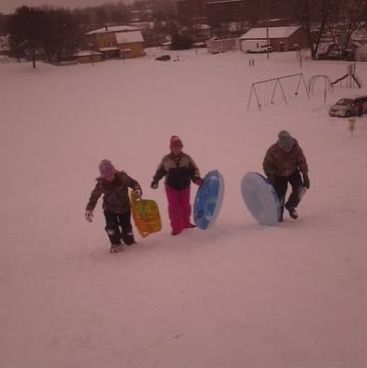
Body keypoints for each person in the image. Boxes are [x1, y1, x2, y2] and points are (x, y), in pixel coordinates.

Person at [85, 159, 142, 252]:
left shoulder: (123, 178)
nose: (109, 177)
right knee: (111, 227)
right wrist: (89, 208)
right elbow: (94, 196)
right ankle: (116, 244)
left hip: (125, 208)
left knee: (126, 226)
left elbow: (134, 183)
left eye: (110, 174)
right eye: (106, 176)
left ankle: (129, 241)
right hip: (109, 209)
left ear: (114, 171)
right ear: (103, 176)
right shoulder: (101, 184)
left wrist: (137, 190)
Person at [151, 136, 203, 236]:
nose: (177, 148)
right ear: (171, 147)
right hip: (171, 187)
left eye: (179, 146)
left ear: (181, 147)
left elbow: (194, 170)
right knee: (174, 207)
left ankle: (186, 224)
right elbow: (160, 171)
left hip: (185, 187)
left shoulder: (187, 158)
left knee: (185, 206)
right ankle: (176, 228)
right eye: (175, 146)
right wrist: (155, 180)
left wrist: (196, 178)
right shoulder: (166, 160)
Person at [263, 130, 310, 221]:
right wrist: (271, 175)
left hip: (293, 172)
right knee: (280, 196)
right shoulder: (273, 150)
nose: (287, 149)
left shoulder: (296, 149)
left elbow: (302, 162)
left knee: (300, 189)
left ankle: (291, 205)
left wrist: (305, 175)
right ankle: (278, 215)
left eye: (289, 147)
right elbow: (266, 165)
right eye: (285, 147)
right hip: (278, 174)